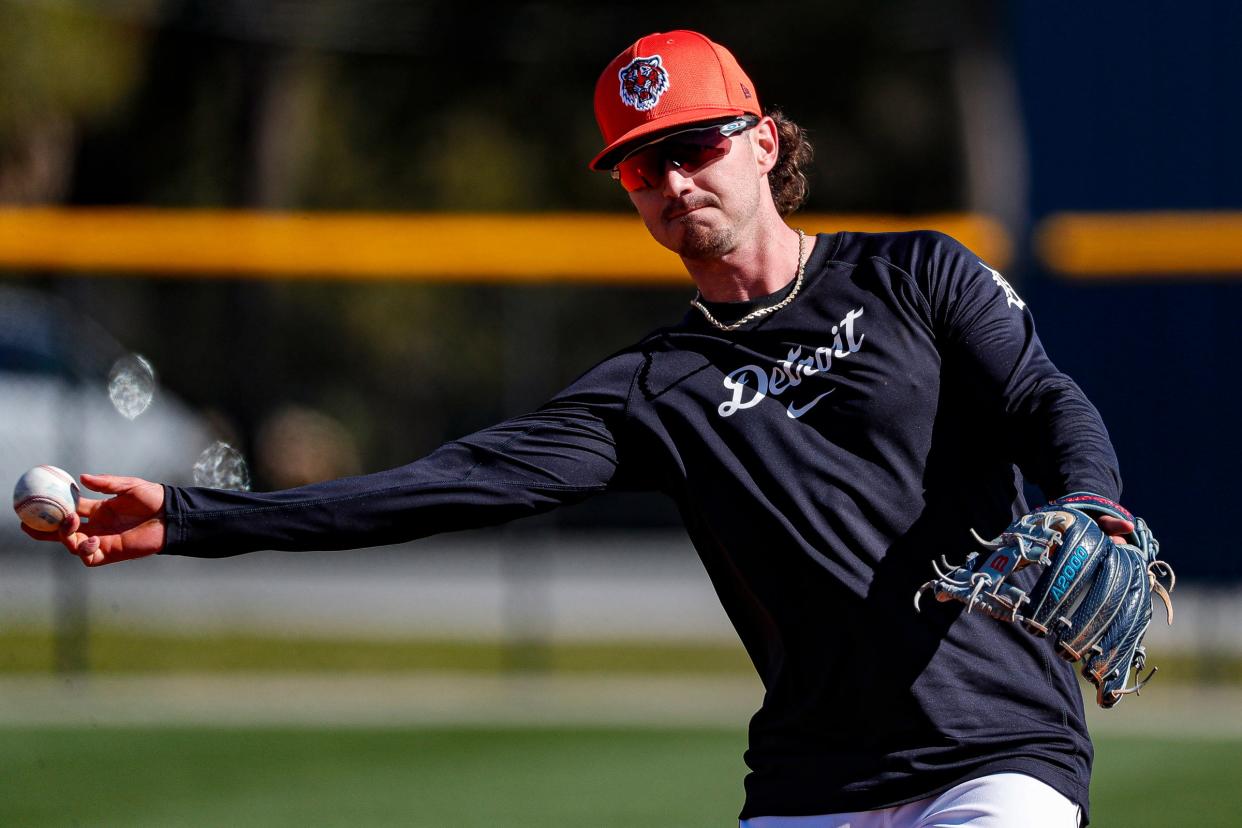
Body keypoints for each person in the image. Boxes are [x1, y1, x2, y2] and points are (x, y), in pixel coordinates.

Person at [26, 30, 1134, 827]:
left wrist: (1089, 498)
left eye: (696, 144)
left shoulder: (915, 275)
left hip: (999, 753)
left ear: (762, 141)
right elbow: (439, 486)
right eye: (644, 165)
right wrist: (189, 519)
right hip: (813, 782)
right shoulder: (653, 387)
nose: (673, 179)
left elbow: (1045, 400)